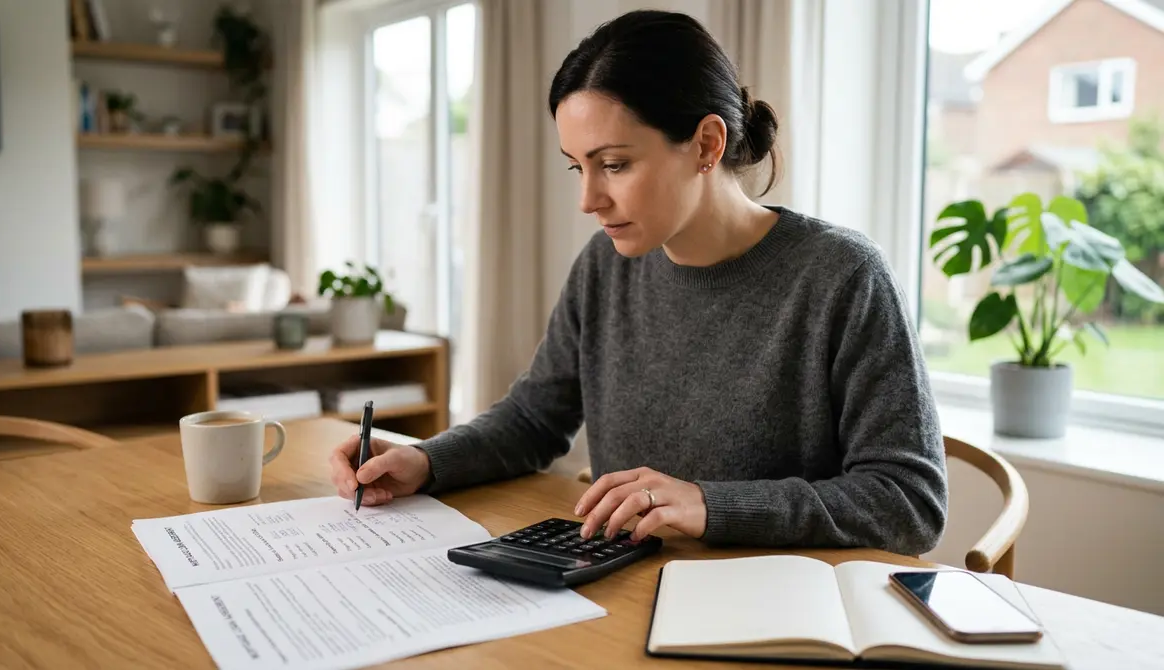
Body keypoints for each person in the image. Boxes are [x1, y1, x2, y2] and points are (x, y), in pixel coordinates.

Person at [329, 9, 948, 556]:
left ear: (706, 143)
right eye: (578, 167)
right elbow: (532, 420)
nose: (588, 199)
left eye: (615, 164)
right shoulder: (605, 267)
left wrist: (710, 506)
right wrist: (426, 460)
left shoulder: (841, 276)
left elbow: (909, 502)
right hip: (628, 590)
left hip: (778, 614)